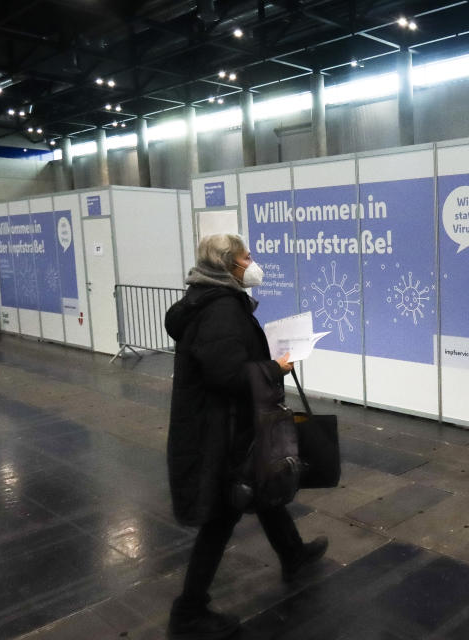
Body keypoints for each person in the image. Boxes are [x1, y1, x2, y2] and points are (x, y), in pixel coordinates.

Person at [163, 233, 328, 640]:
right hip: (216, 433)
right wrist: (275, 368)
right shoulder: (220, 309)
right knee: (222, 515)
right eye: (246, 256)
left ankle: (293, 554)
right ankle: (188, 612)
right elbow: (228, 375)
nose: (253, 263)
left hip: (226, 425)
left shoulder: (211, 300)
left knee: (259, 485)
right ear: (227, 264)